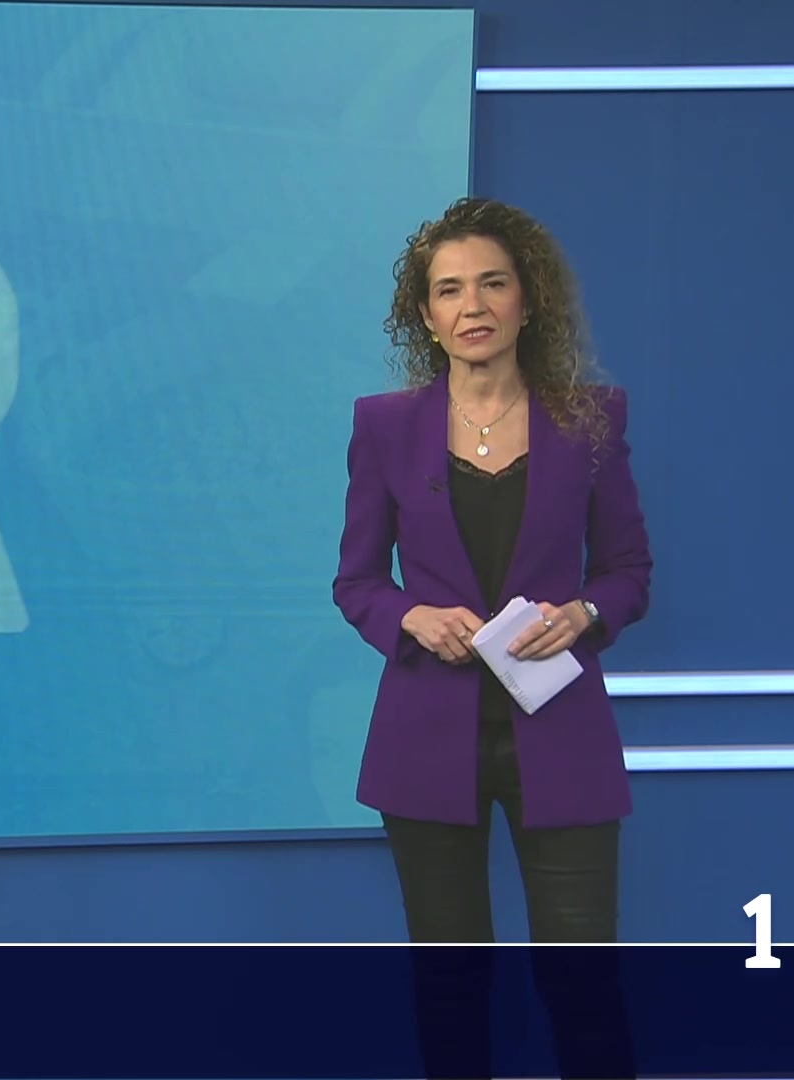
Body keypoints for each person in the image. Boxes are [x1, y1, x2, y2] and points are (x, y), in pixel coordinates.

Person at [332, 196, 651, 1077]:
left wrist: (585, 615)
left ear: (528, 299)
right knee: (451, 982)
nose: (472, 305)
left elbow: (627, 570)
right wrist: (411, 617)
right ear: (425, 315)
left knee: (583, 984)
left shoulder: (590, 419)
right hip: (426, 739)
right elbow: (357, 582)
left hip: (561, 732)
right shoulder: (384, 427)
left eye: (492, 284)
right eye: (449, 290)